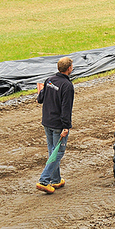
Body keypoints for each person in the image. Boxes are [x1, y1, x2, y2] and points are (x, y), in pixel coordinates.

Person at [36, 57, 74, 194]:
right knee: (58, 153)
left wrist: (41, 90)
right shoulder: (67, 86)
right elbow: (66, 109)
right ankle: (44, 181)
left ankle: (56, 180)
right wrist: (66, 127)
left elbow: (40, 99)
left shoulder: (49, 80)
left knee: (53, 151)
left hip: (47, 122)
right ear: (69, 68)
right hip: (58, 125)